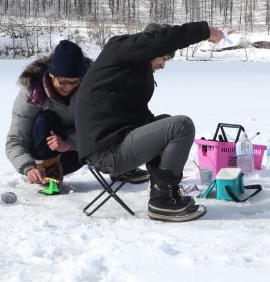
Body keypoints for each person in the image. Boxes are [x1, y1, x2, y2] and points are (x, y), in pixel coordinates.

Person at [73, 21, 224, 222]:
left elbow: (142, 119)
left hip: (111, 145)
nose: (163, 65)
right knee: (182, 126)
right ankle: (164, 202)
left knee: (165, 122)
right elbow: (158, 40)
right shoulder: (120, 49)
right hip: (106, 151)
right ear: (152, 49)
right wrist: (203, 31)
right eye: (164, 57)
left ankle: (161, 191)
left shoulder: (128, 71)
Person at [5, 39, 149, 191]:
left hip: (78, 151)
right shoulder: (33, 92)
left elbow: (104, 123)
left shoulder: (92, 86)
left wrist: (69, 144)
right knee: (46, 119)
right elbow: (15, 140)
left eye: (75, 82)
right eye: (63, 82)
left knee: (117, 114)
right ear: (51, 74)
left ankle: (118, 166)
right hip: (42, 156)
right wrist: (27, 167)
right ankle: (49, 174)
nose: (68, 87)